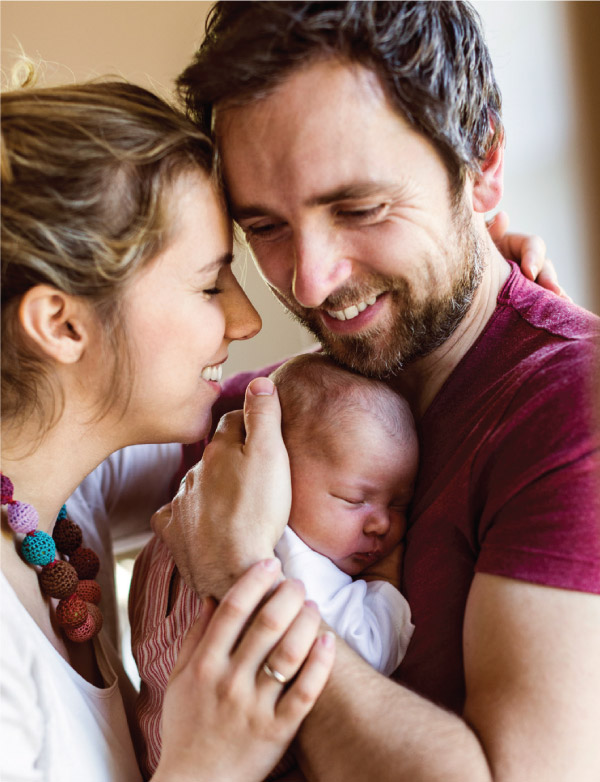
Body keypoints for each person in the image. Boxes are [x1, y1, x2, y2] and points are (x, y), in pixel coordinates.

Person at [151, 2, 600, 779]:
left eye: (359, 208)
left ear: (483, 165)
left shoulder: (568, 409)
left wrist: (248, 575)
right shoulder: (255, 415)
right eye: (265, 226)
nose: (309, 280)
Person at [0, 76, 336, 782]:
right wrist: (207, 766)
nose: (245, 321)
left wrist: (470, 309)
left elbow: (284, 410)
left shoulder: (62, 491)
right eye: (211, 284)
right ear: (62, 325)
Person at [130, 352, 417, 776]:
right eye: (355, 500)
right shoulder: (299, 565)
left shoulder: (180, 517)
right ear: (275, 466)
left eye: (400, 503)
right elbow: (369, 650)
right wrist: (384, 574)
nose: (382, 523)